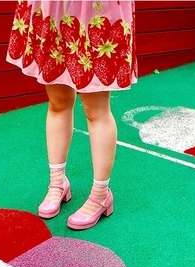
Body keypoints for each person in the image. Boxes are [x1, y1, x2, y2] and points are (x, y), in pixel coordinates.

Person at [7, 0, 137, 230]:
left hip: (96, 8)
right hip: (53, 6)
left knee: (96, 109)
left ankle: (101, 194)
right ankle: (57, 183)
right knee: (58, 102)